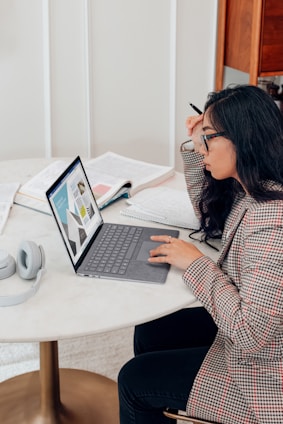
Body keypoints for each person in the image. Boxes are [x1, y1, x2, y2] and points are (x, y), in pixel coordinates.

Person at [118, 85, 283, 424]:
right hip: (257, 337)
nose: (200, 145)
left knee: (134, 381)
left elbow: (250, 335)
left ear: (243, 138)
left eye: (208, 137)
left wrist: (196, 264)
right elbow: (208, 212)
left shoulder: (273, 223)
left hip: (264, 375)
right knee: (152, 329)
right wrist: (198, 148)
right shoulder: (256, 185)